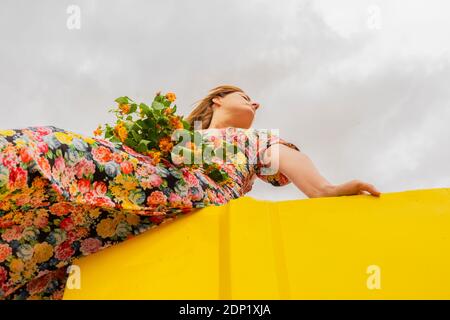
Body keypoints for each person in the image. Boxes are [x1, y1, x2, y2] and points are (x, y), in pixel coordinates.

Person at [0, 84, 380, 300]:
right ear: (218, 99)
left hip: (190, 195)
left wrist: (326, 190)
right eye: (246, 96)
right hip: (135, 195)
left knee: (57, 152)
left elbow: (296, 168)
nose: (257, 103)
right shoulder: (179, 137)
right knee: (53, 174)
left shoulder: (252, 140)